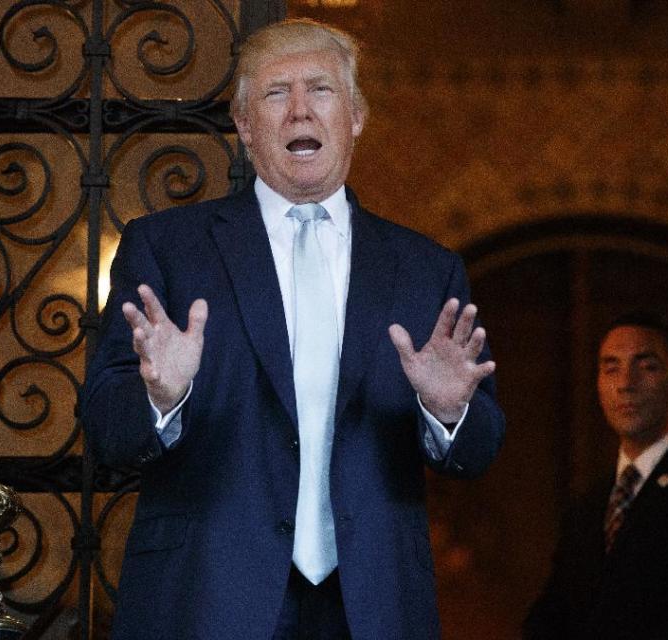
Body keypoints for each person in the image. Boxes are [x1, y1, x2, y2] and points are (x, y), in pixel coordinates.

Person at [80, 18, 506, 640]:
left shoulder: (425, 269)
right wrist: (159, 398)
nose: (299, 111)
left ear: (356, 115)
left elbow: (483, 445)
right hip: (206, 598)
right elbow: (105, 425)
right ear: (245, 126)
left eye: (322, 91)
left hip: (370, 606)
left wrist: (448, 415)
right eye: (276, 94)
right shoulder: (168, 249)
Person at [523, 312, 668, 640]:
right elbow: (551, 615)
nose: (625, 384)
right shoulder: (588, 506)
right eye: (611, 367)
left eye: (647, 366)